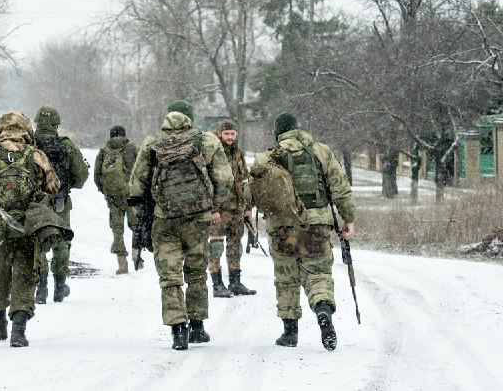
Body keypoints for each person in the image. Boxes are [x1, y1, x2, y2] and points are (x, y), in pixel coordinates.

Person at [128, 100, 233, 351]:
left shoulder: (152, 143)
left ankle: (177, 330)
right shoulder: (206, 141)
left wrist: (142, 217)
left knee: (170, 276)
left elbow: (136, 185)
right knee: (196, 271)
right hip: (198, 218)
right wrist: (210, 204)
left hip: (164, 219)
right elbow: (225, 179)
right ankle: (197, 327)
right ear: (191, 118)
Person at [249, 112, 355, 351]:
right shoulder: (320, 151)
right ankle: (323, 308)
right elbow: (340, 187)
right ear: (298, 128)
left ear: (277, 133)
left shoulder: (267, 157)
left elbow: (251, 194)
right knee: (318, 273)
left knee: (286, 278)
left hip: (282, 227)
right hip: (317, 224)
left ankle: (290, 333)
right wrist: (348, 218)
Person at [0, 111, 61, 348]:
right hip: (26, 226)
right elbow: (53, 188)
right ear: (27, 130)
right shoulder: (36, 155)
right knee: (26, 275)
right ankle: (19, 328)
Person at [32, 105, 89, 304]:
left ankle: (41, 287)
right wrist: (64, 184)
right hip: (60, 201)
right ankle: (59, 286)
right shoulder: (66, 145)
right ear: (57, 124)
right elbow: (81, 178)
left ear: (37, 122)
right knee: (61, 243)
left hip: (35, 204)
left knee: (37, 242)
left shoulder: (29, 145)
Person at [208, 118, 256, 298]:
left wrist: (247, 206)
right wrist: (213, 209)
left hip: (237, 208)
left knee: (235, 246)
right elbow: (208, 183)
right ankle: (217, 284)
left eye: (232, 134)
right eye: (226, 133)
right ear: (219, 133)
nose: (229, 137)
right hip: (219, 210)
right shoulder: (213, 152)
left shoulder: (238, 153)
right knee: (216, 246)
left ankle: (235, 283)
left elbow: (245, 181)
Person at [94, 125, 139, 274]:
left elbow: (97, 176)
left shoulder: (103, 152)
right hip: (132, 195)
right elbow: (142, 169)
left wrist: (107, 191)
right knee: (136, 226)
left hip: (113, 198)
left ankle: (122, 264)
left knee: (117, 230)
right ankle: (136, 256)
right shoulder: (132, 148)